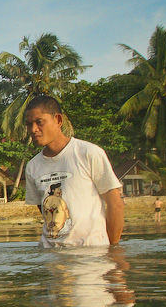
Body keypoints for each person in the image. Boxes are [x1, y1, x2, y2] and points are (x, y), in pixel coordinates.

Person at [23, 95, 124, 247]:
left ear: (58, 120)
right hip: (51, 256)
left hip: (91, 256)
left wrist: (114, 250)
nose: (33, 129)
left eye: (39, 122)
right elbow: (44, 209)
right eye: (28, 124)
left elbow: (116, 204)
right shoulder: (33, 166)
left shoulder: (88, 153)